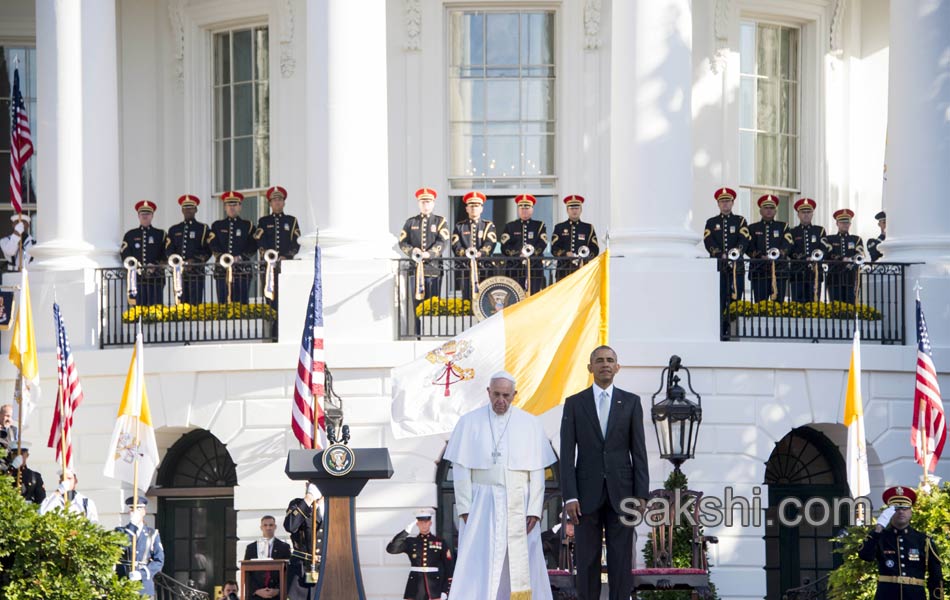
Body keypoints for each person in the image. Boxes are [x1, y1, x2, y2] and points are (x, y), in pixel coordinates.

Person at [445, 371, 557, 600]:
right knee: (479, 558)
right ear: (488, 392)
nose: (501, 400)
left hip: (520, 502)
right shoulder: (469, 422)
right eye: (496, 394)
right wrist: (465, 508)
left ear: (514, 395)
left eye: (506, 395)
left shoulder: (531, 424)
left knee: (522, 560)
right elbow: (461, 469)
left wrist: (535, 509)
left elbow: (537, 472)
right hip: (482, 503)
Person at [559, 345, 650, 600]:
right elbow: (567, 455)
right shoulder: (574, 404)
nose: (605, 364)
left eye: (610, 360)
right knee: (587, 561)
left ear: (617, 367)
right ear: (590, 368)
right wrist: (570, 496)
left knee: (621, 562)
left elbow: (639, 451)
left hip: (623, 494)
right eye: (599, 360)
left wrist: (641, 495)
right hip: (584, 498)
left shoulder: (631, 402)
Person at [858, 486, 943, 600]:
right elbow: (865, 555)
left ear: (911, 512)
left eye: (905, 508)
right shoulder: (880, 538)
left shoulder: (922, 540)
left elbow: (935, 576)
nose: (901, 511)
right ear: (889, 512)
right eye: (896, 508)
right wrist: (878, 529)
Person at [399, 187, 450, 314]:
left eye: (428, 201)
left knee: (433, 306)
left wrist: (429, 253)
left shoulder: (440, 221)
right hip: (414, 270)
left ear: (433, 203)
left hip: (434, 269)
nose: (425, 204)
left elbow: (442, 241)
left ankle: (431, 334)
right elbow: (403, 242)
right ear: (419, 203)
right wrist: (412, 251)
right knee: (417, 307)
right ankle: (418, 334)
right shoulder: (411, 222)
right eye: (423, 202)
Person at [386, 508, 454, 600]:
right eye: (421, 522)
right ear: (417, 524)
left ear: (430, 523)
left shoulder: (440, 542)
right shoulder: (410, 542)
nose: (424, 525)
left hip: (435, 588)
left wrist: (445, 591)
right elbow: (391, 549)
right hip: (414, 587)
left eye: (426, 522)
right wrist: (406, 532)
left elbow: (449, 569)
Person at [703, 187, 752, 312]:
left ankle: (733, 329)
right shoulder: (711, 222)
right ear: (718, 204)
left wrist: (734, 253)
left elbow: (744, 238)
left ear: (732, 202)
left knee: (735, 301)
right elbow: (708, 240)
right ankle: (720, 329)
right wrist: (720, 254)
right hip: (718, 267)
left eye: (728, 201)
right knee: (718, 300)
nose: (725, 203)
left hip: (737, 268)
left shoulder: (740, 221)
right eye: (722, 201)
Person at [165, 194, 213, 305]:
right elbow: (169, 249)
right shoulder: (174, 229)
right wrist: (176, 262)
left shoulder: (203, 228)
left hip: (196, 271)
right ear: (182, 210)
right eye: (185, 208)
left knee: (195, 302)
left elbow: (209, 249)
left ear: (195, 209)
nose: (188, 210)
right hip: (179, 272)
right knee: (179, 301)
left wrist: (196, 261)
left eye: (190, 207)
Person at [210, 191, 257, 304]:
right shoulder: (217, 225)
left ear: (240, 206)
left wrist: (240, 257)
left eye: (235, 204)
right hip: (222, 270)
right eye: (229, 205)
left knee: (242, 303)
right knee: (223, 302)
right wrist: (223, 257)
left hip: (242, 270)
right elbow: (213, 244)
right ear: (225, 207)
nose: (232, 207)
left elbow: (253, 244)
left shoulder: (248, 225)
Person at [450, 191, 497, 302]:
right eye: (471, 206)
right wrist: (465, 253)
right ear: (466, 209)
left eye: (476, 206)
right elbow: (455, 245)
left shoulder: (488, 225)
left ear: (481, 208)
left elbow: (490, 242)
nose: (474, 208)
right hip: (465, 268)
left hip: (484, 268)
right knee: (466, 299)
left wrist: (481, 253)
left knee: (485, 299)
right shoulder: (460, 226)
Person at [115, 496, 165, 598]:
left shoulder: (152, 534)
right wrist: (132, 527)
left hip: (144, 588)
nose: (135, 512)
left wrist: (142, 573)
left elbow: (159, 560)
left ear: (144, 511)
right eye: (132, 509)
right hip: (124, 584)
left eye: (138, 508)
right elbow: (121, 548)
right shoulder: (120, 531)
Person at [746, 195, 792, 303]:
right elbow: (749, 246)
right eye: (766, 208)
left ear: (775, 211)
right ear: (760, 211)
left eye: (771, 208)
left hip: (779, 270)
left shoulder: (783, 226)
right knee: (760, 304)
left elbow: (788, 243)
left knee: (779, 304)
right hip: (759, 271)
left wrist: (777, 255)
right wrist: (760, 256)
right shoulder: (752, 228)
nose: (768, 211)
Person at [120, 201, 167, 306]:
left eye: (148, 214)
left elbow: (166, 253)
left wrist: (156, 265)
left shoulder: (160, 234)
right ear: (138, 216)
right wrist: (135, 266)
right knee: (138, 310)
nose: (145, 216)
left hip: (156, 278)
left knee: (155, 311)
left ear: (152, 216)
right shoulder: (130, 235)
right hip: (136, 278)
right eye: (142, 214)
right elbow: (125, 253)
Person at [500, 194, 548, 295]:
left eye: (527, 208)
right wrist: (518, 254)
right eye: (521, 208)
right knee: (515, 296)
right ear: (518, 210)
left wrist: (531, 254)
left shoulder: (539, 226)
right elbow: (505, 246)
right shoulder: (510, 226)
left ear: (532, 210)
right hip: (514, 268)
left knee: (534, 295)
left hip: (534, 268)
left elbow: (542, 243)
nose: (524, 210)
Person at [283, 483, 325, 600]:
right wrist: (309, 498)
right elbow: (290, 526)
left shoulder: (333, 506)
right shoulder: (298, 504)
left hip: (325, 570)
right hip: (300, 570)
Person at [788, 198, 831, 303]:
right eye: (803, 212)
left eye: (809, 212)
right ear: (798, 214)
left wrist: (816, 256)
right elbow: (789, 249)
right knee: (797, 304)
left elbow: (824, 247)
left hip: (814, 273)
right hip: (797, 273)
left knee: (814, 304)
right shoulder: (793, 231)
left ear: (812, 214)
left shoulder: (819, 230)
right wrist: (802, 257)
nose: (806, 214)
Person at [550, 195, 600, 281]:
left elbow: (595, 248)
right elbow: (554, 248)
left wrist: (584, 256)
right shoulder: (559, 227)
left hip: (583, 269)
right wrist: (565, 254)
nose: (574, 211)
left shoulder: (588, 228)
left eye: (577, 208)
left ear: (581, 210)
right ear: (567, 210)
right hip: (563, 270)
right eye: (571, 208)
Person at [243, 515, 291, 599]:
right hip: (257, 595)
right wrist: (256, 590)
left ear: (275, 527)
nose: (268, 528)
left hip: (276, 595)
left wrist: (278, 590)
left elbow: (288, 571)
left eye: (271, 525)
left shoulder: (284, 547)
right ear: (261, 527)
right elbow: (247, 573)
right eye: (265, 525)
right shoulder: (251, 548)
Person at [825, 209, 865, 305]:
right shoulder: (830, 239)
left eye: (847, 222)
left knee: (851, 306)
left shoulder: (856, 239)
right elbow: (828, 254)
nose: (845, 225)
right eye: (842, 222)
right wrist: (842, 259)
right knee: (835, 306)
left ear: (850, 224)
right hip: (834, 277)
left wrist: (852, 260)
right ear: (837, 223)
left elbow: (860, 254)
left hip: (851, 278)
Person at [254, 186, 301, 259]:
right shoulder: (263, 221)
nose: (277, 202)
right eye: (274, 200)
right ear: (270, 203)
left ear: (284, 203)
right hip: (268, 262)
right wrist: (268, 255)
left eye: (280, 200)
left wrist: (287, 256)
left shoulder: (292, 220)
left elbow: (296, 241)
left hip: (286, 262)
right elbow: (260, 241)